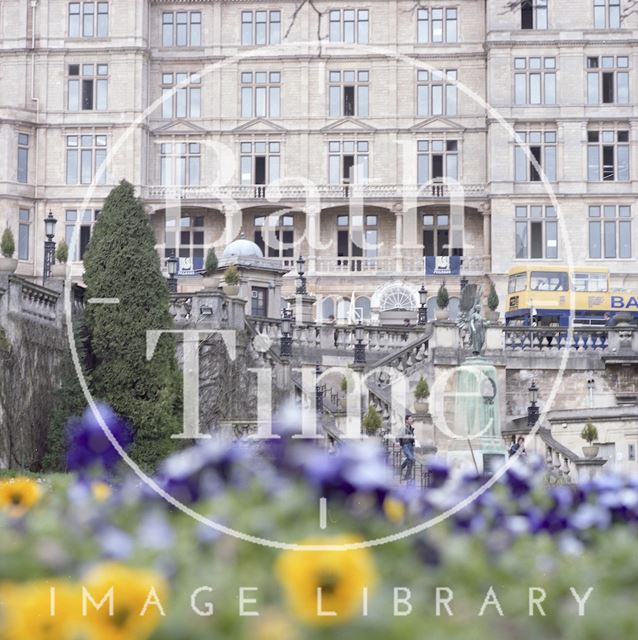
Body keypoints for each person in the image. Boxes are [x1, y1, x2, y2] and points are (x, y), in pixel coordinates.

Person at [399, 414, 416, 481]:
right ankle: (401, 467)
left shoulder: (411, 428)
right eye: (410, 419)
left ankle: (407, 476)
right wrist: (400, 444)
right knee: (411, 458)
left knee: (410, 461)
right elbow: (399, 436)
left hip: (410, 445)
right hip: (405, 445)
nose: (411, 420)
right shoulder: (403, 428)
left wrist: (414, 442)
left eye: (412, 419)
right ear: (406, 420)